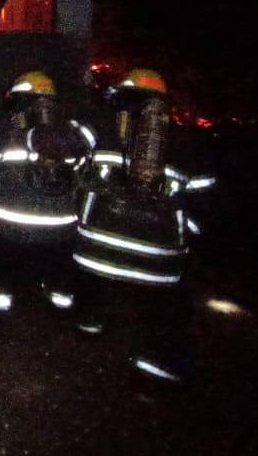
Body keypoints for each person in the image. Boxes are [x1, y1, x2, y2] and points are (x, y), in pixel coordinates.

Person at [73, 68, 209, 384]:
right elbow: (205, 201)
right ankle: (155, 357)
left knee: (90, 270)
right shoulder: (187, 142)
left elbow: (73, 166)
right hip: (159, 260)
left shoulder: (100, 126)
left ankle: (90, 320)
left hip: (97, 249)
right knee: (172, 300)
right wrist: (183, 230)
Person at [0, 71, 96, 314]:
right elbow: (83, 167)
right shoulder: (70, 130)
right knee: (57, 257)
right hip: (60, 224)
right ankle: (60, 294)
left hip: (8, 220)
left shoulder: (7, 125)